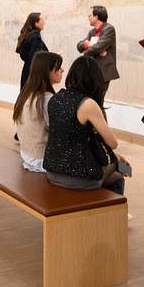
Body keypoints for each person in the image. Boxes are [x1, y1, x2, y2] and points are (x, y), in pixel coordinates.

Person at [43, 56, 127, 195]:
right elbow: (113, 144)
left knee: (116, 164)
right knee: (120, 171)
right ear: (96, 79)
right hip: (80, 177)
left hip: (52, 171)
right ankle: (113, 207)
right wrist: (117, 158)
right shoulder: (88, 104)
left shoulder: (55, 98)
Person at [12, 52, 63, 172]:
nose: (62, 70)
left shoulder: (27, 93)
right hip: (41, 160)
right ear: (47, 71)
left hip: (27, 155)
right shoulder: (46, 98)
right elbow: (59, 130)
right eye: (58, 67)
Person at [76, 5, 119, 99]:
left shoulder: (109, 29)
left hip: (103, 70)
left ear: (96, 17)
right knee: (90, 98)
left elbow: (98, 47)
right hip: (91, 70)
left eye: (89, 15)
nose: (88, 18)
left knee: (98, 99)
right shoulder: (92, 32)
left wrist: (88, 50)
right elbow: (79, 46)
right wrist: (88, 45)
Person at [15, 12, 48, 89]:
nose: (44, 22)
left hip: (27, 72)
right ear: (36, 23)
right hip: (34, 75)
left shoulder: (28, 36)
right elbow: (36, 58)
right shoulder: (35, 38)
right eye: (42, 20)